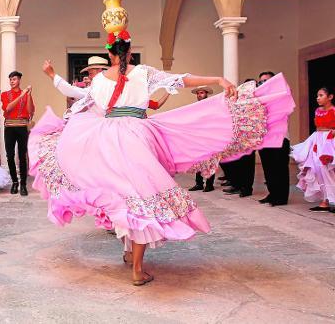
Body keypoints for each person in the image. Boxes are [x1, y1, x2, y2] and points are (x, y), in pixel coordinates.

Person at [28, 23, 294, 286]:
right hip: (138, 136)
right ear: (130, 52)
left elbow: (77, 94)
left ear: (110, 54)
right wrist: (217, 79)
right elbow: (181, 79)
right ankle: (137, 269)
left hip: (106, 139)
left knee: (121, 196)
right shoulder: (143, 72)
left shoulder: (98, 80)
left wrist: (53, 76)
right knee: (142, 197)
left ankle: (128, 251)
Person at [292, 87, 335, 213]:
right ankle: (324, 200)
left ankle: (332, 198)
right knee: (317, 169)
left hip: (330, 140)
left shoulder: (333, 110)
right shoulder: (317, 110)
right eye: (317, 95)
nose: (318, 98)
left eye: (321, 95)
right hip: (318, 140)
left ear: (330, 97)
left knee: (329, 169)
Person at [257, 71, 291, 206]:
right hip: (264, 139)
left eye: (266, 81)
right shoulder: (260, 100)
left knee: (280, 168)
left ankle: (281, 198)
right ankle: (272, 194)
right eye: (260, 82)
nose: (263, 84)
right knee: (268, 169)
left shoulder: (282, 95)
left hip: (280, 138)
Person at [1, 71, 35, 196]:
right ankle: (15, 182)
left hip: (21, 127)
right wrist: (21, 95)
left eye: (14, 79)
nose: (12, 81)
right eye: (10, 79)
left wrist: (29, 95)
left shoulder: (26, 94)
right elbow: (8, 108)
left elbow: (31, 111)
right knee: (10, 155)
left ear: (19, 80)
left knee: (22, 156)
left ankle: (23, 184)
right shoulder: (4, 94)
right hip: (9, 127)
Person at [188, 86, 216, 192]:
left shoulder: (211, 105)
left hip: (209, 136)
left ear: (206, 94)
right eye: (198, 93)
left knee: (210, 161)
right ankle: (199, 183)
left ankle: (210, 184)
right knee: (198, 161)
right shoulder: (194, 107)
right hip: (198, 136)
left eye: (202, 93)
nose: (200, 95)